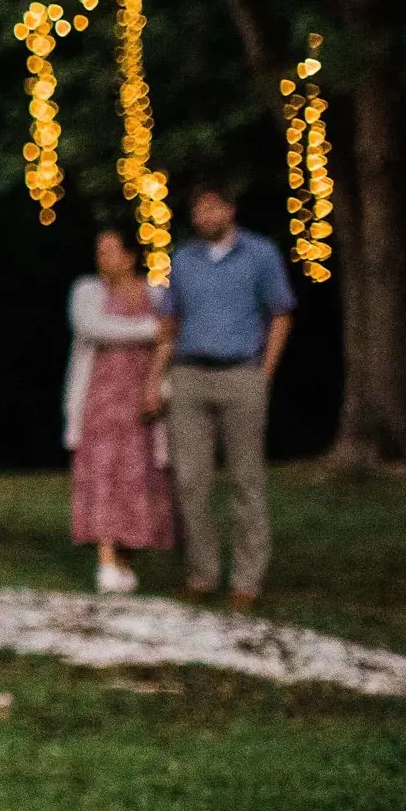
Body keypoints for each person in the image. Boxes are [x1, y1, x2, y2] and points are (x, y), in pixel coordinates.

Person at [147, 186, 295, 609]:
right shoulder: (182, 259)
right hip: (190, 374)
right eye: (198, 209)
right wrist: (156, 378)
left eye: (212, 206)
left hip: (241, 373)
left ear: (229, 209)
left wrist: (264, 373)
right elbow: (169, 321)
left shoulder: (259, 254)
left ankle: (247, 578)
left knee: (245, 479)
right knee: (190, 480)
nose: (205, 215)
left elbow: (281, 312)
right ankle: (203, 571)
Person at [67, 230, 174, 594]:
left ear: (130, 257)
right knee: (102, 475)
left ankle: (126, 557)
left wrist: (156, 382)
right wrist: (149, 329)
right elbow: (92, 328)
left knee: (137, 476)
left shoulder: (156, 294)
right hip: (100, 398)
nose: (103, 259)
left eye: (111, 251)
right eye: (99, 252)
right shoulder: (87, 291)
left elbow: (170, 338)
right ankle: (106, 557)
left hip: (141, 399)